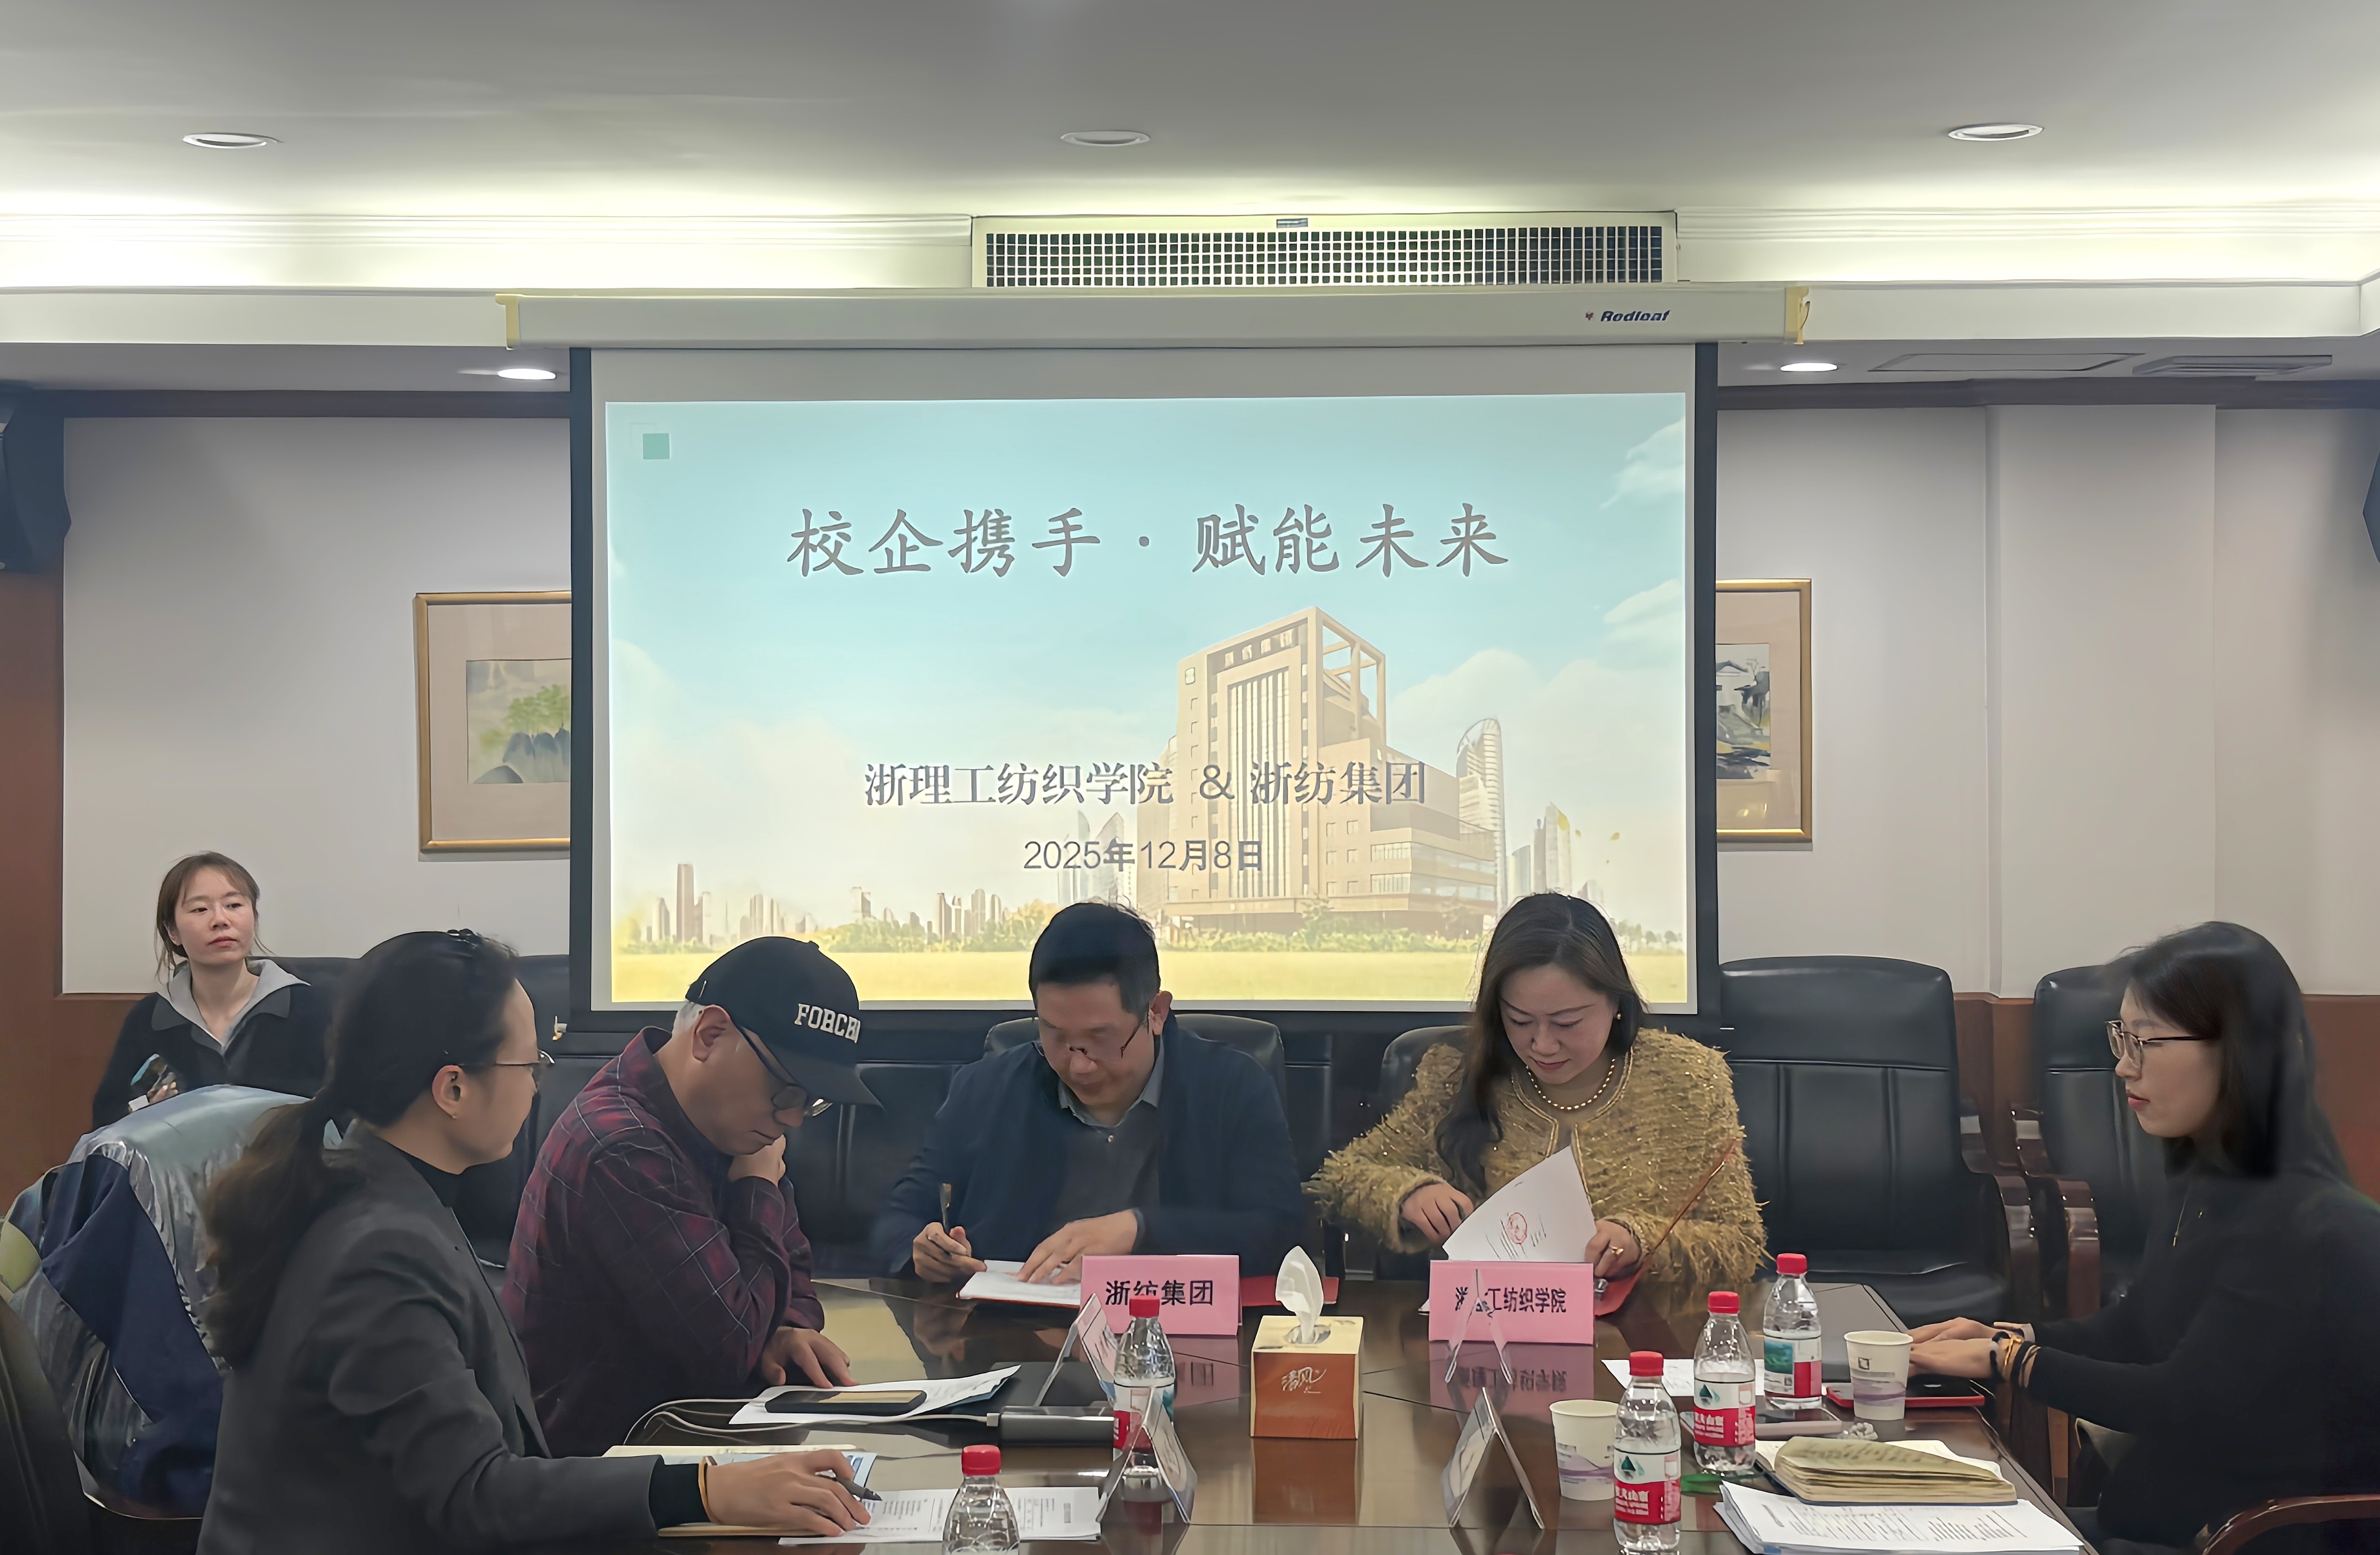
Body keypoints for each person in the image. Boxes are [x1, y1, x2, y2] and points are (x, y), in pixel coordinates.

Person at [197, 930, 868, 1555]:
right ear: (453, 1087)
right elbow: (475, 1492)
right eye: (530, 1062)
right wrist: (705, 1489)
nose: (539, 1082)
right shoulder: (377, 1253)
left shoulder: (389, 1198)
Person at [1911, 922, 2380, 1552]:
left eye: (2147, 1040)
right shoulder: (2205, 1178)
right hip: (2162, 1518)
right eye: (2121, 1036)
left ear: (2245, 1050)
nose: (2122, 1064)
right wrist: (2010, 1333)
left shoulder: (2303, 1223)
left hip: (2243, 1536)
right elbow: (2137, 1330)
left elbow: (2182, 1398)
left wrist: (2009, 1361)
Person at [1306, 892, 1764, 1336]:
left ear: (1615, 1004)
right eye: (1520, 1021)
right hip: (1484, 1341)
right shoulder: (1454, 1074)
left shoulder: (1687, 1078)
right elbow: (1337, 1179)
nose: (1543, 1045)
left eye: (1567, 1023)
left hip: (1638, 1339)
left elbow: (1739, 1243)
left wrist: (1642, 1239)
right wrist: (1405, 1193)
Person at [504, 937, 879, 1457]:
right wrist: (757, 1187)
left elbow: (792, 1268)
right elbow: (730, 1350)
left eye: (811, 1102)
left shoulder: (727, 1123)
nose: (793, 1118)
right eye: (787, 1089)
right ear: (710, 1034)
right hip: (602, 1465)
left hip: (691, 1436)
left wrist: (787, 1330)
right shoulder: (623, 1146)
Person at [872, 901, 1303, 1284]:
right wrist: (923, 1250)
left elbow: (1278, 1234)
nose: (1078, 1065)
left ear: (1155, 1012)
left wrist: (1140, 1230)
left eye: (1100, 1039)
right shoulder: (984, 1089)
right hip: (1012, 1331)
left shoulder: (1231, 1087)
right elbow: (898, 1218)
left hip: (1174, 1331)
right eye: (1055, 1035)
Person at [92, 852, 332, 1129]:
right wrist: (146, 1110)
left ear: (253, 917)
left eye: (234, 905)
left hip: (284, 1157)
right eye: (200, 910)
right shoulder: (150, 1018)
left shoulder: (305, 1007)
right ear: (172, 932)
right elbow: (108, 1121)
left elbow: (344, 1117)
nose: (220, 920)